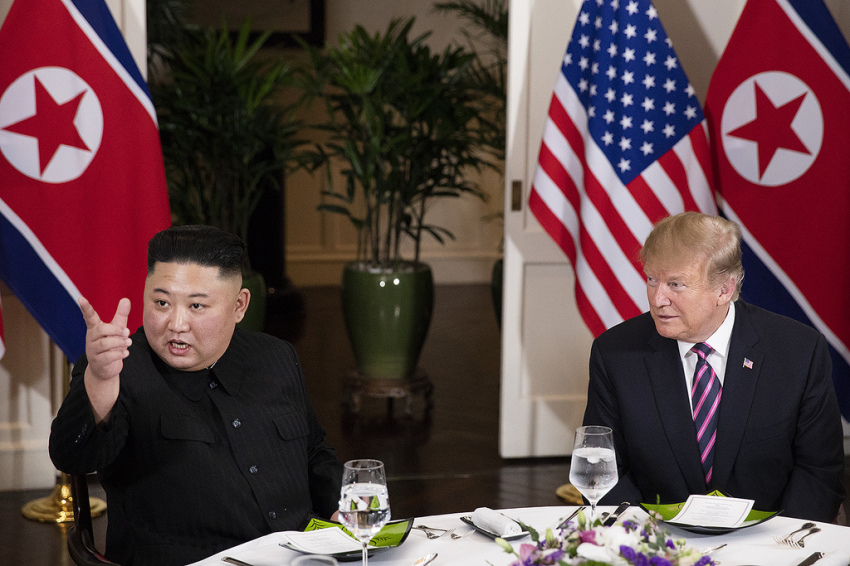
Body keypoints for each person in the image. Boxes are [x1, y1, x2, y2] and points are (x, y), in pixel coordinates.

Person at [49, 225, 344, 566]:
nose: (176, 323)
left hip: (299, 556)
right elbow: (71, 457)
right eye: (161, 302)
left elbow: (315, 453)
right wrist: (100, 380)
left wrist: (343, 506)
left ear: (239, 305)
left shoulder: (275, 357)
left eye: (197, 307)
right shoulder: (120, 368)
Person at [582, 211, 845, 522]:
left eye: (676, 284)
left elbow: (818, 470)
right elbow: (601, 469)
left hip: (769, 544)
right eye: (652, 279)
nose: (658, 298)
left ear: (725, 289)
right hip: (658, 544)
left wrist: (779, 545)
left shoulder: (798, 351)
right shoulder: (615, 353)